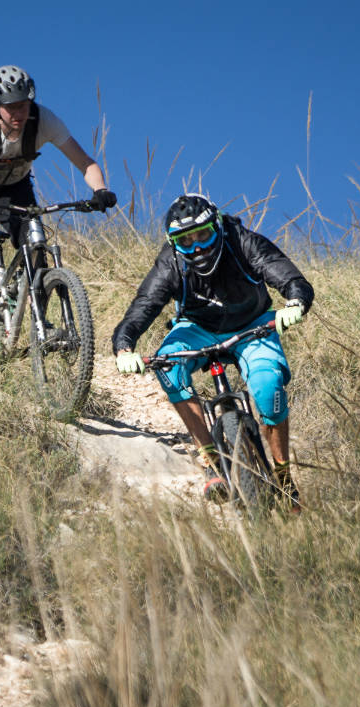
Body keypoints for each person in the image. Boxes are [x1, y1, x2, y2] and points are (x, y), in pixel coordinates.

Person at [111, 192, 314, 511]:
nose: (198, 248)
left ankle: (283, 474)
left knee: (267, 388)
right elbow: (145, 305)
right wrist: (124, 347)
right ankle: (210, 459)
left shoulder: (243, 241)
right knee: (168, 368)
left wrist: (295, 301)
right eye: (186, 240)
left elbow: (284, 273)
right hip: (197, 328)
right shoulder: (171, 262)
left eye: (203, 235)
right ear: (173, 242)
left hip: (254, 324)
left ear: (218, 226)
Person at [0, 65, 116, 314]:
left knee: (37, 252)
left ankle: (35, 323)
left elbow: (86, 163)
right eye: (10, 107)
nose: (18, 113)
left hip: (14, 188)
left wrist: (100, 189)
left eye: (23, 104)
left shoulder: (44, 121)